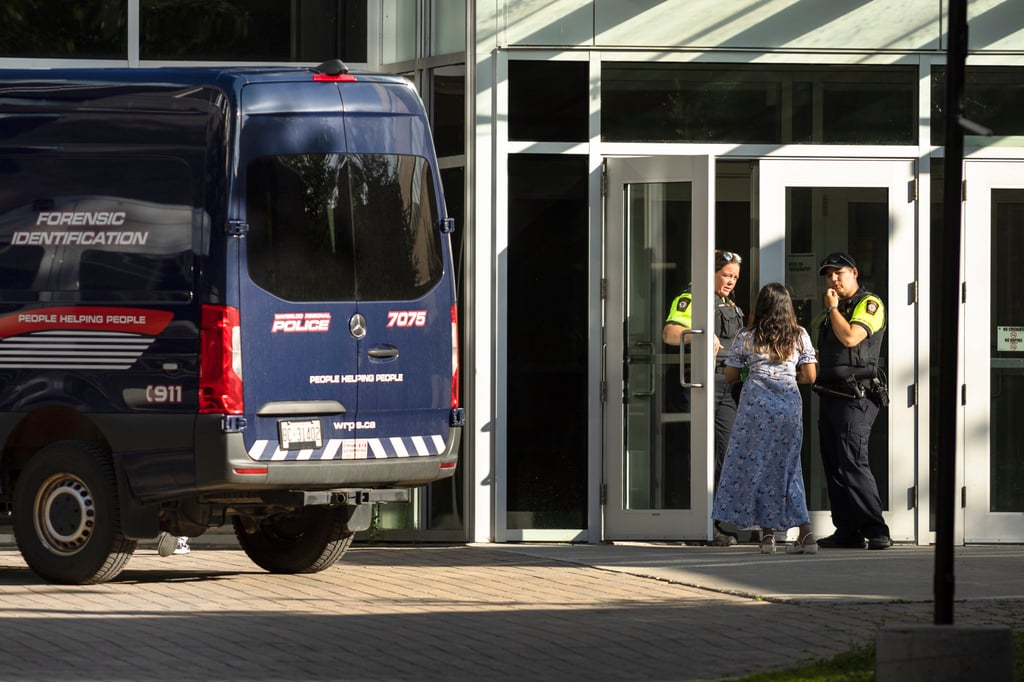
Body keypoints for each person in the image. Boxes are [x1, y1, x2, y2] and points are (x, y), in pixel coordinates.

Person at [712, 282, 819, 555]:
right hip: (788, 409)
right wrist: (785, 377)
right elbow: (809, 376)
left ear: (760, 307)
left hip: (755, 409)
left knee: (758, 466)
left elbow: (730, 376)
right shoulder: (799, 335)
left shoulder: (747, 336)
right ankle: (806, 534)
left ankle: (768, 536)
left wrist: (754, 371)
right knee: (788, 468)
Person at [663, 250, 744, 546]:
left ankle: (716, 519)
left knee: (727, 453)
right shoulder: (694, 296)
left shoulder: (726, 303)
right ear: (710, 272)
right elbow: (670, 333)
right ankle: (700, 524)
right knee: (701, 454)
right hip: (701, 383)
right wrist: (698, 334)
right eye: (726, 275)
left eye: (735, 277)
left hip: (728, 385)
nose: (731, 282)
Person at [813, 252, 893, 550]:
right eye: (828, 274)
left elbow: (850, 339)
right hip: (831, 394)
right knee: (834, 464)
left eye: (839, 273)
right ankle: (847, 530)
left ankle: (876, 530)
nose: (833, 279)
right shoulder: (834, 310)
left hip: (857, 395)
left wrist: (833, 309)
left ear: (854, 273)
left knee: (853, 462)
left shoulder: (869, 304)